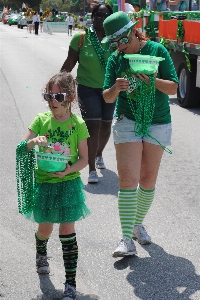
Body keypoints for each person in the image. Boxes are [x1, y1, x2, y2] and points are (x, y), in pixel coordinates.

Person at [102, 12, 178, 257]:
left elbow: (174, 88)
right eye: (114, 44)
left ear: (134, 31)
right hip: (127, 121)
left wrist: (153, 80)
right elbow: (107, 96)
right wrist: (117, 87)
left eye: (121, 41)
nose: (119, 47)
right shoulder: (116, 59)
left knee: (147, 180)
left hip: (158, 122)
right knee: (127, 180)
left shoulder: (157, 50)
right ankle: (126, 238)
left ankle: (137, 224)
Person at [16, 71, 90, 300]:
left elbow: (85, 159)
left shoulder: (78, 124)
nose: (52, 101)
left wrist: (69, 169)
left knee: (67, 231)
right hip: (45, 184)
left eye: (58, 96)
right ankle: (41, 251)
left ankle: (70, 283)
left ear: (71, 97)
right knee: (45, 229)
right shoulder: (41, 120)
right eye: (49, 96)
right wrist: (33, 141)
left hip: (68, 184)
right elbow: (22, 147)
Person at [61, 3, 115, 184]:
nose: (101, 18)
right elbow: (69, 63)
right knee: (93, 127)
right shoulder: (81, 38)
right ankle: (91, 168)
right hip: (87, 88)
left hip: (110, 89)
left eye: (105, 15)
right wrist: (59, 85)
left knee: (106, 126)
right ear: (92, 17)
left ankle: (98, 154)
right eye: (98, 15)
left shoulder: (115, 39)